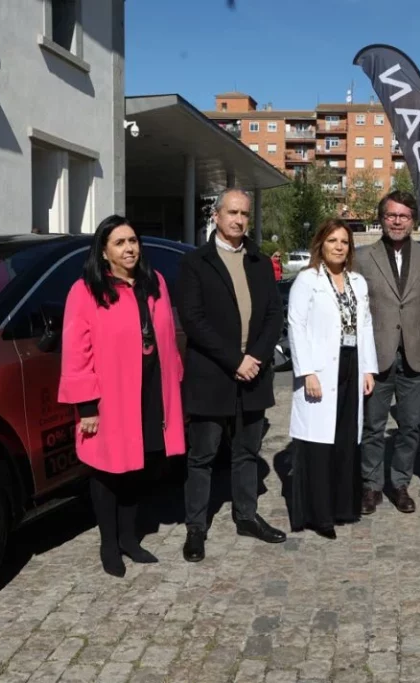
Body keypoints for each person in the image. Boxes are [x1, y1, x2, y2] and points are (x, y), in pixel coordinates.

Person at [58, 215, 186, 577]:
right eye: (119, 243)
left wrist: (175, 382)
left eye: (133, 240)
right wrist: (86, 406)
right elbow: (76, 352)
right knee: (107, 471)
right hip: (108, 397)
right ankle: (108, 544)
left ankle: (130, 539)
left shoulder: (155, 282)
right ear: (103, 251)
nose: (129, 248)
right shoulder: (85, 291)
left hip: (150, 391)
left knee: (140, 467)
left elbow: (168, 336)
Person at [177, 188, 286, 562]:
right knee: (202, 455)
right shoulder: (196, 262)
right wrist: (233, 360)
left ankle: (246, 515)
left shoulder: (257, 260)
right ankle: (195, 528)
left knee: (247, 452)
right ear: (217, 216)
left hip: (253, 373)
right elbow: (193, 319)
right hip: (212, 374)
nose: (239, 220)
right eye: (232, 213)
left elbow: (274, 313)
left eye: (245, 214)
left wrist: (254, 356)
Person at [287, 219, 377, 537]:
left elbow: (364, 326)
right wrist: (307, 370)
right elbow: (295, 325)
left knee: (345, 439)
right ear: (320, 245)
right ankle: (318, 515)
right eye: (332, 241)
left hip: (352, 365)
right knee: (318, 444)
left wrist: (369, 368)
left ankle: (343, 507)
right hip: (321, 369)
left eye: (344, 241)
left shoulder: (357, 282)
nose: (339, 246)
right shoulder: (307, 280)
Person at [354, 191, 420, 514]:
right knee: (373, 426)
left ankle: (400, 483)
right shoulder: (362, 258)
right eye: (391, 215)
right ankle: (371, 486)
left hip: (416, 354)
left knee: (411, 426)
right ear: (381, 218)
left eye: (404, 216)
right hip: (377, 357)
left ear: (413, 221)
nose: (398, 221)